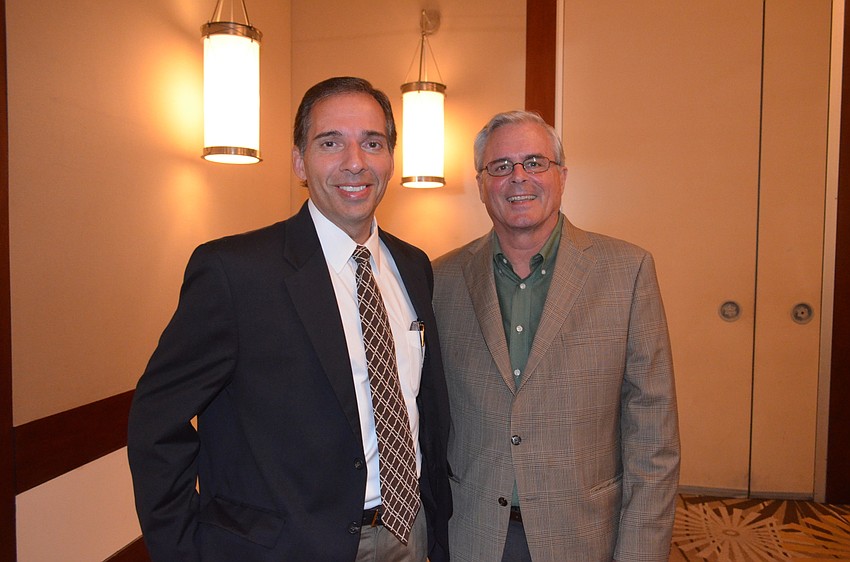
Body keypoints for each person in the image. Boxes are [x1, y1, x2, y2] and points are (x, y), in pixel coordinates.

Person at [127, 76, 452, 562]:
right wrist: (185, 549)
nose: (355, 162)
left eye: (372, 143)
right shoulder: (234, 273)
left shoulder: (413, 266)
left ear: (390, 158)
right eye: (330, 143)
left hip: (409, 535)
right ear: (299, 161)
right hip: (286, 547)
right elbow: (156, 424)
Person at [432, 110, 680, 562]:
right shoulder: (440, 279)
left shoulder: (628, 272)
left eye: (535, 162)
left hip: (584, 535)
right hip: (471, 532)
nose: (518, 177)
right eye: (500, 166)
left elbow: (653, 438)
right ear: (481, 184)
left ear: (562, 176)